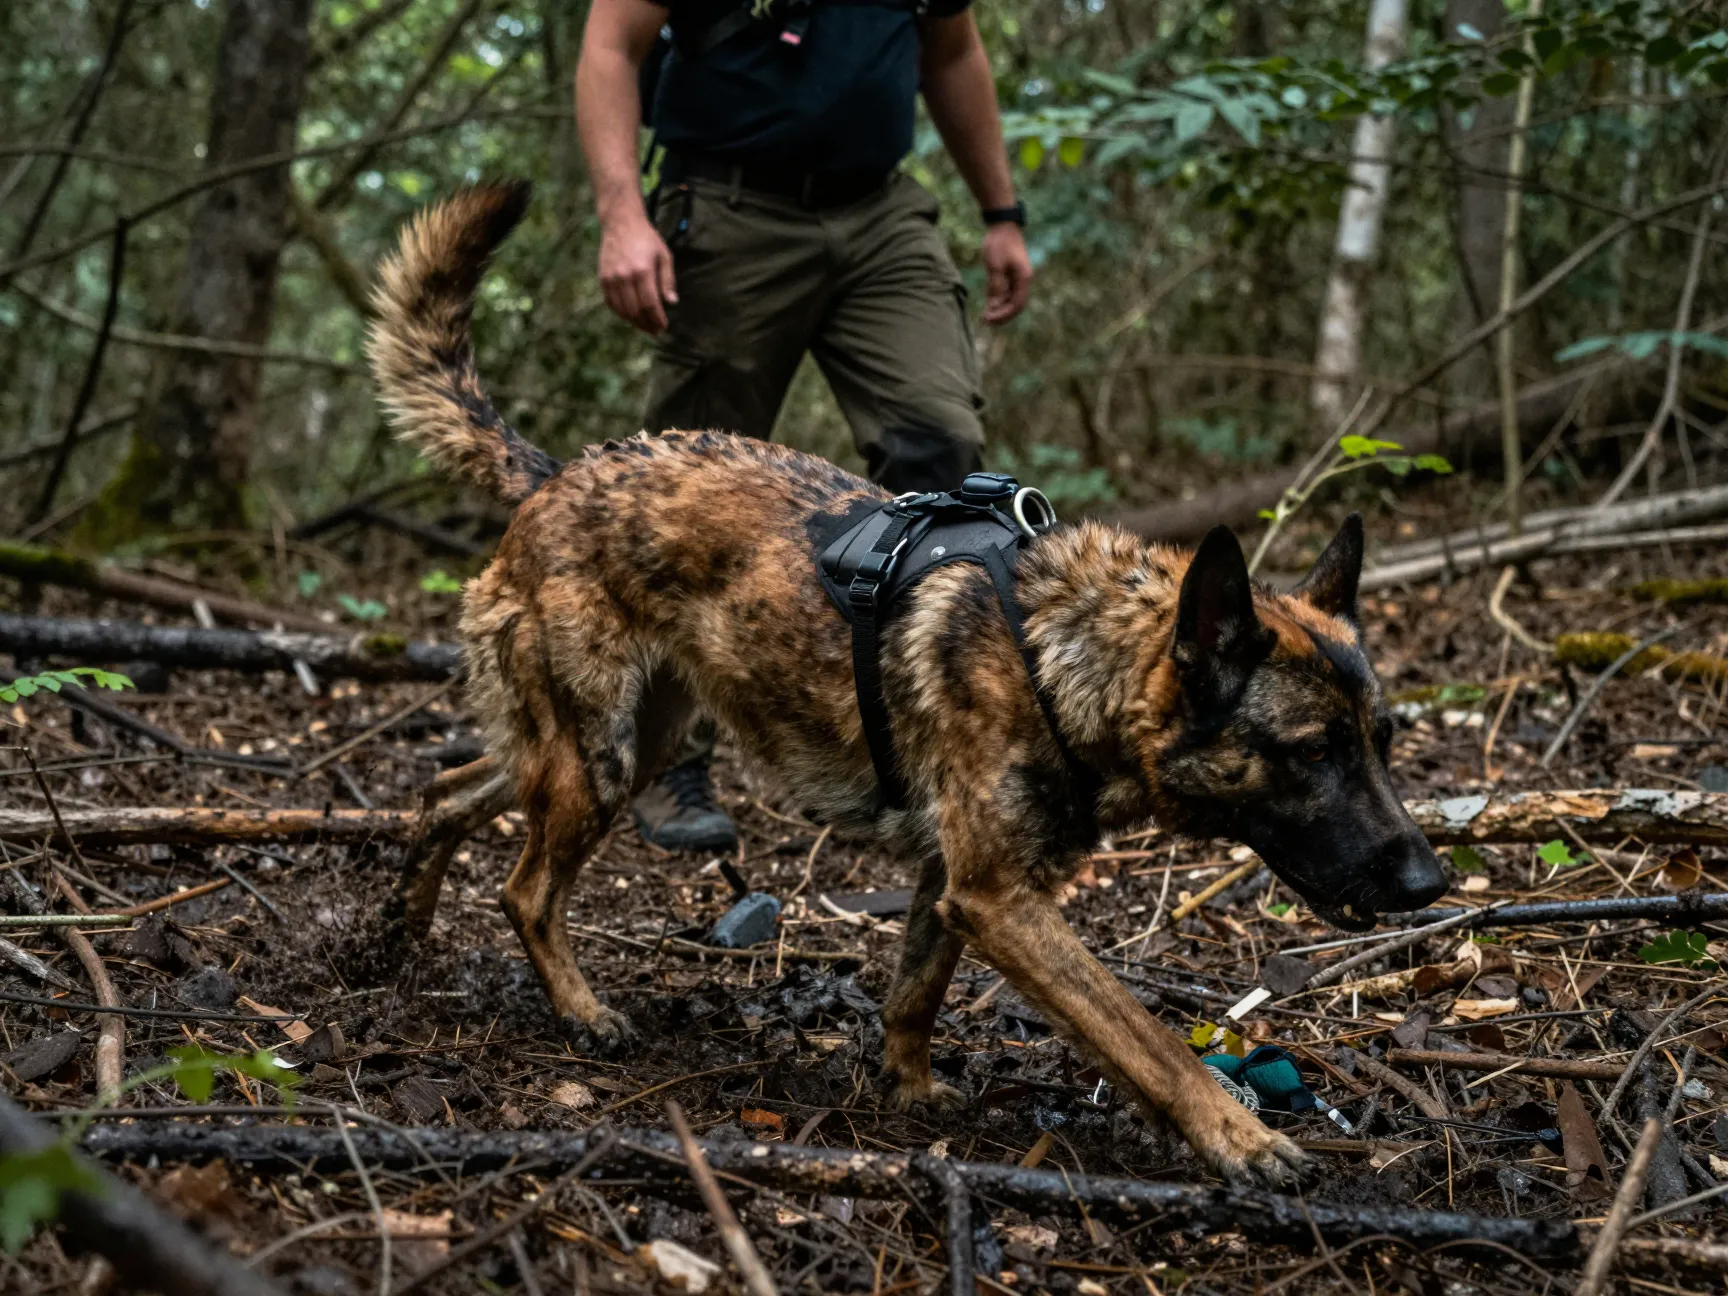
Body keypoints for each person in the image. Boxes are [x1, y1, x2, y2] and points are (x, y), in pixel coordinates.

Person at [575, 0, 1031, 851]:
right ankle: (668, 759)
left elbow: (955, 54)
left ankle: (911, 739)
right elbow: (610, 46)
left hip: (880, 214)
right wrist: (622, 216)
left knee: (938, 447)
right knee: (686, 496)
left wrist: (1001, 213)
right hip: (729, 204)